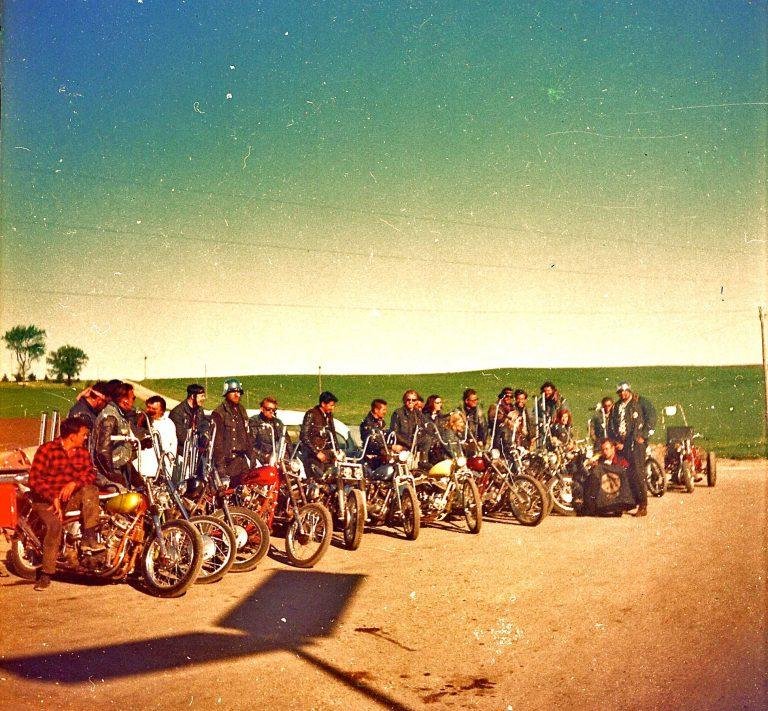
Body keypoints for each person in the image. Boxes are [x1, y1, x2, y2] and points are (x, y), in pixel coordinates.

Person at [27, 416, 104, 590]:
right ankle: (46, 574)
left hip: (69, 499)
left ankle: (89, 538)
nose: (86, 437)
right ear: (72, 436)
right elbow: (35, 480)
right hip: (45, 500)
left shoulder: (82, 453)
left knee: (91, 490)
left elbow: (90, 474)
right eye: (84, 434)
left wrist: (74, 483)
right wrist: (53, 497)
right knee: (55, 526)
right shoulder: (47, 450)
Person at [92, 381, 145, 488]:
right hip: (112, 472)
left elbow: (121, 445)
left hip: (121, 468)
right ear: (125, 401)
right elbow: (102, 451)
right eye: (133, 398)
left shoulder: (119, 415)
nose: (134, 402)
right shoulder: (110, 417)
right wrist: (112, 476)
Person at [608, 382, 647, 516]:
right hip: (621, 444)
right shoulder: (616, 406)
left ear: (629, 391)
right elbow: (611, 425)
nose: (622, 394)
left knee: (637, 474)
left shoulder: (635, 405)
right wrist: (616, 442)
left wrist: (629, 442)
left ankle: (643, 505)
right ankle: (630, 503)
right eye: (620, 392)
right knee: (625, 474)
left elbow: (637, 426)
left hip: (634, 444)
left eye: (625, 391)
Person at [211, 379, 256, 480]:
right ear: (226, 393)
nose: (237, 395)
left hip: (242, 460)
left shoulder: (241, 410)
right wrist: (221, 468)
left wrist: (252, 456)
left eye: (239, 392)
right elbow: (217, 443)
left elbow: (247, 434)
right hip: (229, 462)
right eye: (233, 392)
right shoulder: (219, 413)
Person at [300, 391, 339, 478]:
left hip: (326, 454)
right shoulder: (311, 414)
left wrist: (337, 450)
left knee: (332, 479)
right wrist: (316, 453)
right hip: (313, 456)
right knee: (317, 480)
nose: (333, 408)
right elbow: (304, 436)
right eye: (331, 405)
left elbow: (333, 434)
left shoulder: (329, 415)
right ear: (323, 404)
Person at [140, 395, 178, 477]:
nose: (150, 411)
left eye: (154, 409)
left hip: (161, 466)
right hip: (143, 466)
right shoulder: (142, 421)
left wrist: (171, 459)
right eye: (149, 408)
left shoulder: (168, 424)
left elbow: (173, 443)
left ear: (162, 411)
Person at [169, 384, 209, 457]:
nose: (204, 398)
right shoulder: (177, 413)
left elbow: (203, 424)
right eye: (202, 396)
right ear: (193, 396)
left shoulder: (199, 410)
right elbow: (180, 436)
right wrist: (195, 445)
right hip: (181, 454)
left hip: (195, 451)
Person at [249, 396, 289, 465]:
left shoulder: (278, 423)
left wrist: (290, 459)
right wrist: (264, 456)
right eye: (268, 409)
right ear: (262, 409)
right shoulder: (254, 422)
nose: (271, 412)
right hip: (259, 461)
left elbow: (287, 442)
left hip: (276, 460)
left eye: (274, 410)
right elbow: (250, 445)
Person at [359, 398, 389, 470]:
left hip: (381, 457)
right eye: (383, 410)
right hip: (372, 461)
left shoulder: (380, 421)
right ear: (376, 410)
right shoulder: (367, 424)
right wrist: (389, 447)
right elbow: (372, 444)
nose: (385, 412)